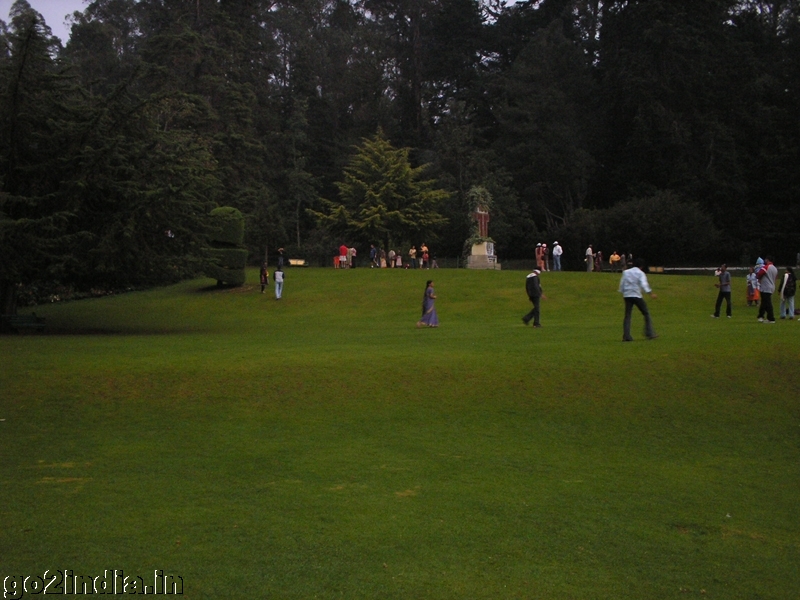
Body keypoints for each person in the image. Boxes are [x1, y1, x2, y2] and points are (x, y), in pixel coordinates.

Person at [619, 258, 658, 341]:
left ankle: (626, 336)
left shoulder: (626, 272)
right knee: (646, 313)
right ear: (641, 266)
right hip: (636, 295)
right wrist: (650, 293)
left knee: (627, 316)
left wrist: (623, 292)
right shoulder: (640, 273)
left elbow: (622, 283)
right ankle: (649, 333)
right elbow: (644, 284)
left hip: (627, 295)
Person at [756, 256, 778, 323]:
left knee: (767, 303)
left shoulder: (766, 267)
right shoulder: (775, 268)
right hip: (772, 286)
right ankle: (761, 316)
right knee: (764, 302)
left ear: (767, 260)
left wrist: (759, 278)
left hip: (765, 286)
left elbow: (759, 274)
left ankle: (771, 318)